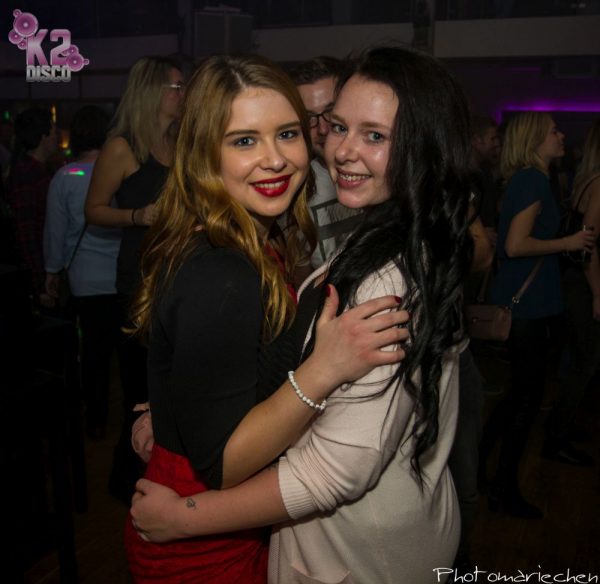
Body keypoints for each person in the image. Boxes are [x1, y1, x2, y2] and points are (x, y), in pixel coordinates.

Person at [131, 46, 475, 584]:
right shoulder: (228, 266)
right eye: (338, 128)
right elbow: (224, 444)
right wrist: (185, 404)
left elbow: (335, 467)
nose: (343, 151)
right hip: (225, 544)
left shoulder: (377, 272)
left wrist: (185, 503)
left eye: (375, 135)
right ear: (203, 153)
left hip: (347, 550)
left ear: (422, 148)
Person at [481, 113, 595, 518]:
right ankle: (502, 490)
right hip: (526, 306)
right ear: (533, 140)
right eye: (553, 131)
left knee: (519, 396)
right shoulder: (531, 179)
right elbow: (515, 245)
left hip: (533, 301)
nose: (561, 136)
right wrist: (569, 242)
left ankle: (479, 468)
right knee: (525, 401)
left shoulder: (531, 178)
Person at [85, 56, 184, 500]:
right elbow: (93, 210)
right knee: (140, 387)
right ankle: (128, 483)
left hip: (180, 275)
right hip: (139, 282)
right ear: (151, 91)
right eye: (176, 87)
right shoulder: (122, 148)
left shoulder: (180, 143)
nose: (182, 94)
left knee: (173, 382)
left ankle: (167, 473)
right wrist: (137, 215)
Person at [43, 105, 121, 439]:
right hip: (122, 276)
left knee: (93, 353)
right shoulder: (120, 172)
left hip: (85, 280)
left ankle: (96, 420)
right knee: (127, 354)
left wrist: (52, 271)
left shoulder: (66, 176)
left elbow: (55, 232)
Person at [543, 119, 600, 465]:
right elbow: (586, 247)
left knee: (581, 359)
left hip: (576, 281)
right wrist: (598, 293)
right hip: (583, 283)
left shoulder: (587, 178)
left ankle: (562, 427)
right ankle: (555, 438)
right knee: (585, 363)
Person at [289, 57, 362, 269]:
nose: (322, 129)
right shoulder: (293, 185)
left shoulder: (384, 168)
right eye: (309, 118)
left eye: (331, 112)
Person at [6, 107, 58, 307]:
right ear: (43, 136)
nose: (57, 138)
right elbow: (26, 232)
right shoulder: (28, 174)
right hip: (36, 279)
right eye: (53, 132)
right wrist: (40, 285)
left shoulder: (33, 170)